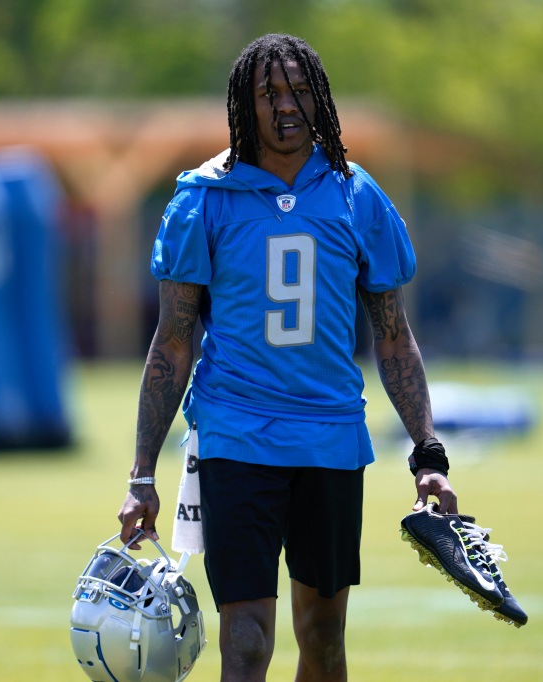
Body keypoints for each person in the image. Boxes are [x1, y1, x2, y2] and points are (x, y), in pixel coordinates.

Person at [118, 33, 457, 681]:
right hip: (234, 437)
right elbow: (173, 341)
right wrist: (141, 475)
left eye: (298, 90)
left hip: (330, 440)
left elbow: (393, 336)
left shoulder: (357, 195)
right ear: (243, 105)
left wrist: (429, 454)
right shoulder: (203, 198)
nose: (285, 106)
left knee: (324, 637)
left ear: (320, 98)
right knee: (244, 641)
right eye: (267, 93)